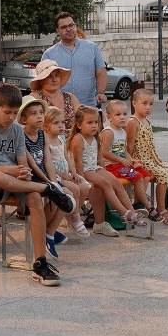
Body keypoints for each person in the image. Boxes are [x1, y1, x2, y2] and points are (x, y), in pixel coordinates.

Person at [0, 84, 63, 286]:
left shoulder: (17, 131)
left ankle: (40, 263)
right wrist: (9, 170)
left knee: (35, 197)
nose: (11, 117)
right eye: (7, 112)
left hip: (17, 182)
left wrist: (23, 171)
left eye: (15, 113)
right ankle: (48, 188)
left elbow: (22, 163)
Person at [19, 100, 84, 255]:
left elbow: (47, 160)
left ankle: (49, 233)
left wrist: (53, 181)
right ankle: (45, 233)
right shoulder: (21, 136)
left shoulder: (42, 134)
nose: (39, 116)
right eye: (33, 114)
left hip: (47, 177)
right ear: (23, 119)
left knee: (67, 194)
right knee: (57, 194)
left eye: (41, 113)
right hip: (33, 178)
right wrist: (50, 183)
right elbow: (33, 164)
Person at [69, 106, 132, 234]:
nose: (94, 126)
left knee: (116, 182)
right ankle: (124, 213)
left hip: (95, 168)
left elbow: (100, 159)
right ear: (79, 125)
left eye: (96, 123)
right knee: (105, 184)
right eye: (89, 123)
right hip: (83, 170)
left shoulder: (96, 138)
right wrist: (83, 180)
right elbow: (77, 162)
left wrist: (105, 173)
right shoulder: (78, 139)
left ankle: (132, 213)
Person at [126, 89, 168, 225]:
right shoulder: (133, 122)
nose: (148, 107)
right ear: (134, 103)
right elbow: (128, 146)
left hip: (153, 159)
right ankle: (161, 208)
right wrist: (131, 161)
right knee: (163, 176)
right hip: (141, 160)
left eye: (151, 104)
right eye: (144, 103)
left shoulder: (147, 121)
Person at [42, 100, 95, 243]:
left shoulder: (61, 139)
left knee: (85, 186)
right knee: (74, 190)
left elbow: (67, 157)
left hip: (66, 173)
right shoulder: (46, 141)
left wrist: (74, 173)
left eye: (63, 122)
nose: (61, 126)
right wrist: (65, 176)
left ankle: (73, 213)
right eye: (56, 123)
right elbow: (49, 165)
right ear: (46, 126)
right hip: (56, 176)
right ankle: (75, 218)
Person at [100, 98, 152, 222]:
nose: (122, 117)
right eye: (118, 114)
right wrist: (120, 159)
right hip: (111, 167)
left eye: (124, 114)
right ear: (109, 117)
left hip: (121, 164)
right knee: (138, 176)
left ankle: (139, 203)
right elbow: (103, 152)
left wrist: (132, 160)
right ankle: (149, 207)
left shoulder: (122, 131)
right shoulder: (109, 132)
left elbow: (124, 151)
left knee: (145, 175)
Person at [43, 11, 108, 108]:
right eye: (64, 27)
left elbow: (101, 72)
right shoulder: (49, 54)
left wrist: (100, 92)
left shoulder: (92, 48)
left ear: (76, 26)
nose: (68, 29)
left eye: (71, 25)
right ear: (57, 31)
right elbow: (43, 81)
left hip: (89, 107)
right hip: (61, 110)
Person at [23, 58, 80, 135]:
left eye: (57, 76)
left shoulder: (71, 98)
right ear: (41, 80)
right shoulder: (34, 98)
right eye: (49, 76)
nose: (54, 79)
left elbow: (82, 120)